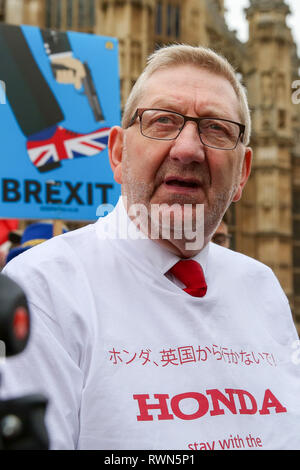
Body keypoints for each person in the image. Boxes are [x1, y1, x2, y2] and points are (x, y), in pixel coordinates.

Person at [1, 44, 300, 450]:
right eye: (162, 121)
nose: (188, 149)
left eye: (216, 128)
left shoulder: (262, 287)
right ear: (119, 153)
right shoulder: (43, 288)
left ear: (243, 173)